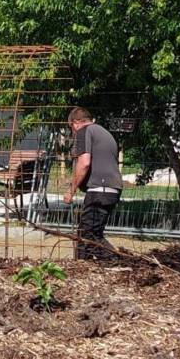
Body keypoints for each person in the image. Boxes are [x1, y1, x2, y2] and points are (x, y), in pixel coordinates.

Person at [61, 107, 121, 261]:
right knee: (90, 233)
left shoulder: (84, 131)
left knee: (87, 235)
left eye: (71, 128)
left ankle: (114, 261)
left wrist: (71, 190)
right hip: (112, 188)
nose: (73, 132)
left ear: (75, 123)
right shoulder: (104, 132)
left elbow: (84, 163)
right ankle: (83, 266)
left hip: (99, 190)